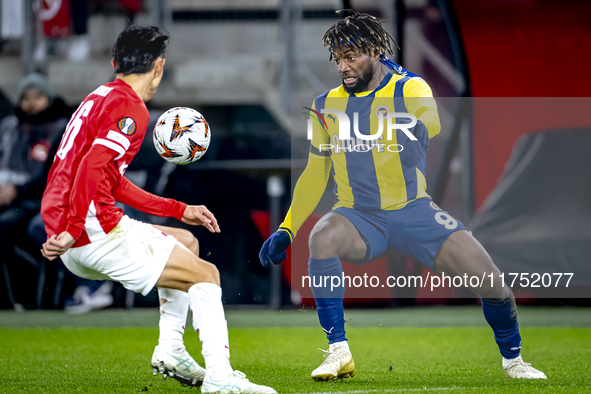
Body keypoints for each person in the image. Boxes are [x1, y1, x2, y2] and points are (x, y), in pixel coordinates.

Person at [259, 10, 546, 382]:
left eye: (352, 58)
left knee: (493, 284)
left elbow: (431, 121)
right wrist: (287, 228)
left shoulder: (409, 88)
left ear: (375, 52)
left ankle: (513, 360)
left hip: (415, 211)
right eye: (339, 60)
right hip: (359, 216)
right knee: (322, 236)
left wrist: (407, 127)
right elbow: (316, 171)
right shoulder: (325, 104)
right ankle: (338, 352)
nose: (343, 68)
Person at [40, 25, 276, 394]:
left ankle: (171, 350)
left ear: (116, 62)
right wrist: (73, 227)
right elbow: (91, 168)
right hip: (90, 230)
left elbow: (110, 179)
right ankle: (219, 378)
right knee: (208, 275)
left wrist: (178, 209)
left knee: (187, 243)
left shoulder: (98, 97)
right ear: (159, 67)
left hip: (70, 227)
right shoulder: (131, 108)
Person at [0, 73, 71, 307]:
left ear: (48, 98)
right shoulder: (9, 128)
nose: (31, 102)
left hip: (39, 203)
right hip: (12, 199)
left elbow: (51, 178)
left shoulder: (61, 129)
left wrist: (16, 192)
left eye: (38, 96)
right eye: (25, 97)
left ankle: (18, 301)